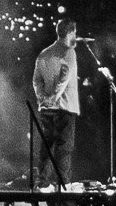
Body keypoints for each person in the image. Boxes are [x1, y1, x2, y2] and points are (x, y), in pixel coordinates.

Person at [32, 18, 80, 188]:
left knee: (46, 147)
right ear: (70, 32)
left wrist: (42, 98)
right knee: (64, 149)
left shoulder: (43, 53)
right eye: (74, 32)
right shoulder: (69, 52)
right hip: (64, 107)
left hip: (46, 109)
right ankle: (62, 186)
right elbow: (64, 78)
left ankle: (42, 184)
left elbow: (36, 80)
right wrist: (54, 97)